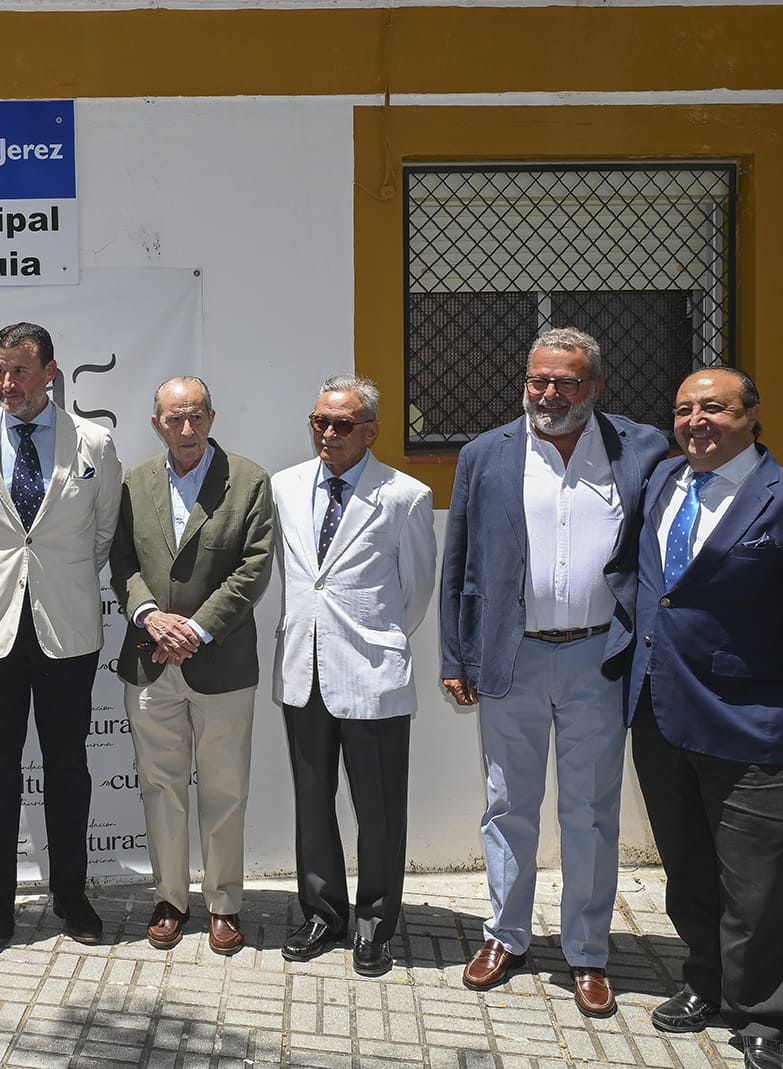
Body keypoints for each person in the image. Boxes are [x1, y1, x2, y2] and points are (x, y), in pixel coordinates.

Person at [440, 326, 669, 1016]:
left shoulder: (642, 448)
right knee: (509, 803)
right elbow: (460, 560)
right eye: (539, 379)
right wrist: (457, 654)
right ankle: (504, 936)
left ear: (596, 385)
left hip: (599, 657)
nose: (548, 393)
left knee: (591, 811)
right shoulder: (487, 453)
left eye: (566, 381)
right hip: (513, 655)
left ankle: (588, 952)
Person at [626, 367, 783, 1069]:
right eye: (683, 408)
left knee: (757, 883)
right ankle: (705, 981)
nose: (695, 421)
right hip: (658, 711)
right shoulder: (662, 482)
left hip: (752, 721)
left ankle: (764, 1017)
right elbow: (649, 582)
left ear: (752, 414)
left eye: (713, 407)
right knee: (687, 868)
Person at [0, 322, 123, 945]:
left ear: (51, 371)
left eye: (19, 371)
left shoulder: (93, 442)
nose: (6, 384)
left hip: (66, 631)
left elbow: (101, 538)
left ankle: (71, 894)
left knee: (69, 764)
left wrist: (54, 580)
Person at [271, 374, 436, 976]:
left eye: (343, 424)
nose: (329, 433)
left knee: (380, 810)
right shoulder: (284, 486)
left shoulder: (405, 495)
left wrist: (375, 640)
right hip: (303, 673)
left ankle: (374, 923)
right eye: (320, 421)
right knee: (312, 803)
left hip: (371, 673)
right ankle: (322, 913)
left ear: (371, 430)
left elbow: (415, 593)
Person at [108, 377, 273, 955]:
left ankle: (224, 904)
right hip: (152, 661)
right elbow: (122, 560)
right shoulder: (134, 482)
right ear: (156, 423)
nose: (186, 429)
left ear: (211, 416)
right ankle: (171, 899)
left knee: (226, 788)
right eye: (174, 419)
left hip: (221, 662)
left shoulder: (249, 480)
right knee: (161, 786)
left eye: (196, 416)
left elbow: (254, 568)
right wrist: (150, 616)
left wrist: (196, 629)